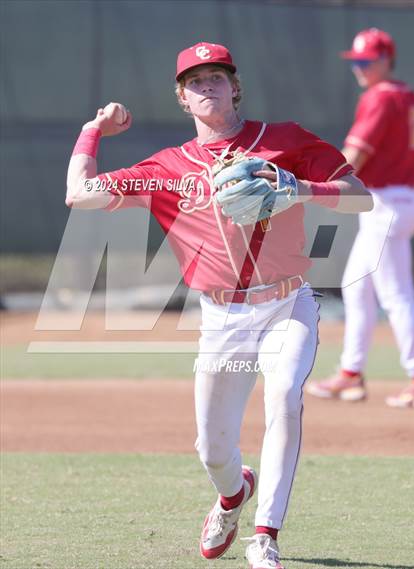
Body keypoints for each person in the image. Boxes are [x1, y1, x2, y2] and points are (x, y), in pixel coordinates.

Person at [66, 42, 371, 568]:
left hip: (286, 304)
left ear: (236, 86)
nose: (207, 87)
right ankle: (233, 495)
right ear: (182, 98)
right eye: (195, 81)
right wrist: (94, 130)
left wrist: (299, 186)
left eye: (217, 77)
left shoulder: (284, 141)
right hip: (221, 315)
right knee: (211, 447)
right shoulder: (168, 168)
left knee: (284, 400)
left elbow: (358, 194)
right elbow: (79, 193)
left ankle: (266, 537)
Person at [306, 28, 414, 408]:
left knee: (396, 293)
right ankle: (350, 375)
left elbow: (354, 155)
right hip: (401, 198)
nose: (359, 68)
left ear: (387, 59)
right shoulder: (408, 96)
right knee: (356, 285)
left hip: (385, 203)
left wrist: (311, 185)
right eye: (356, 61)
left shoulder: (380, 98)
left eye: (367, 61)